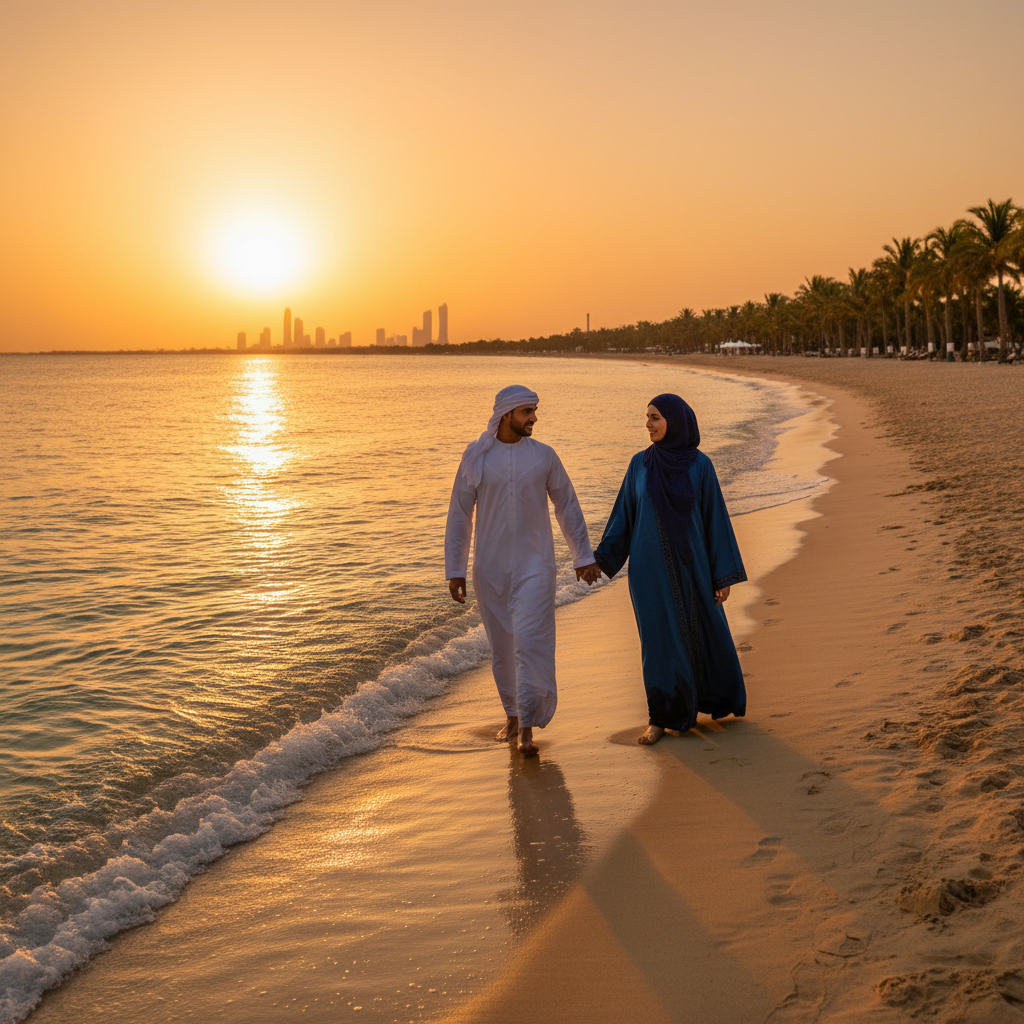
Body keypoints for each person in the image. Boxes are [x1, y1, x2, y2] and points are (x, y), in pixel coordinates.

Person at [446, 385, 600, 754]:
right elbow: (459, 514)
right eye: (527, 411)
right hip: (491, 569)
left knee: (531, 643)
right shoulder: (476, 457)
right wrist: (456, 569)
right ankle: (513, 715)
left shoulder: (544, 456)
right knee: (503, 647)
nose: (533, 418)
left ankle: (528, 727)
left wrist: (582, 556)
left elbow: (568, 505)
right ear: (506, 414)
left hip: (536, 566)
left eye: (534, 411)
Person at [593, 394, 747, 745]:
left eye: (656, 417)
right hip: (648, 572)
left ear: (675, 421)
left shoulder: (700, 466)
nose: (648, 423)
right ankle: (661, 718)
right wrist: (599, 561)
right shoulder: (639, 465)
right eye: (646, 417)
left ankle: (711, 700)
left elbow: (715, 520)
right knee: (658, 642)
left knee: (707, 631)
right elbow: (623, 517)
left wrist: (723, 575)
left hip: (694, 567)